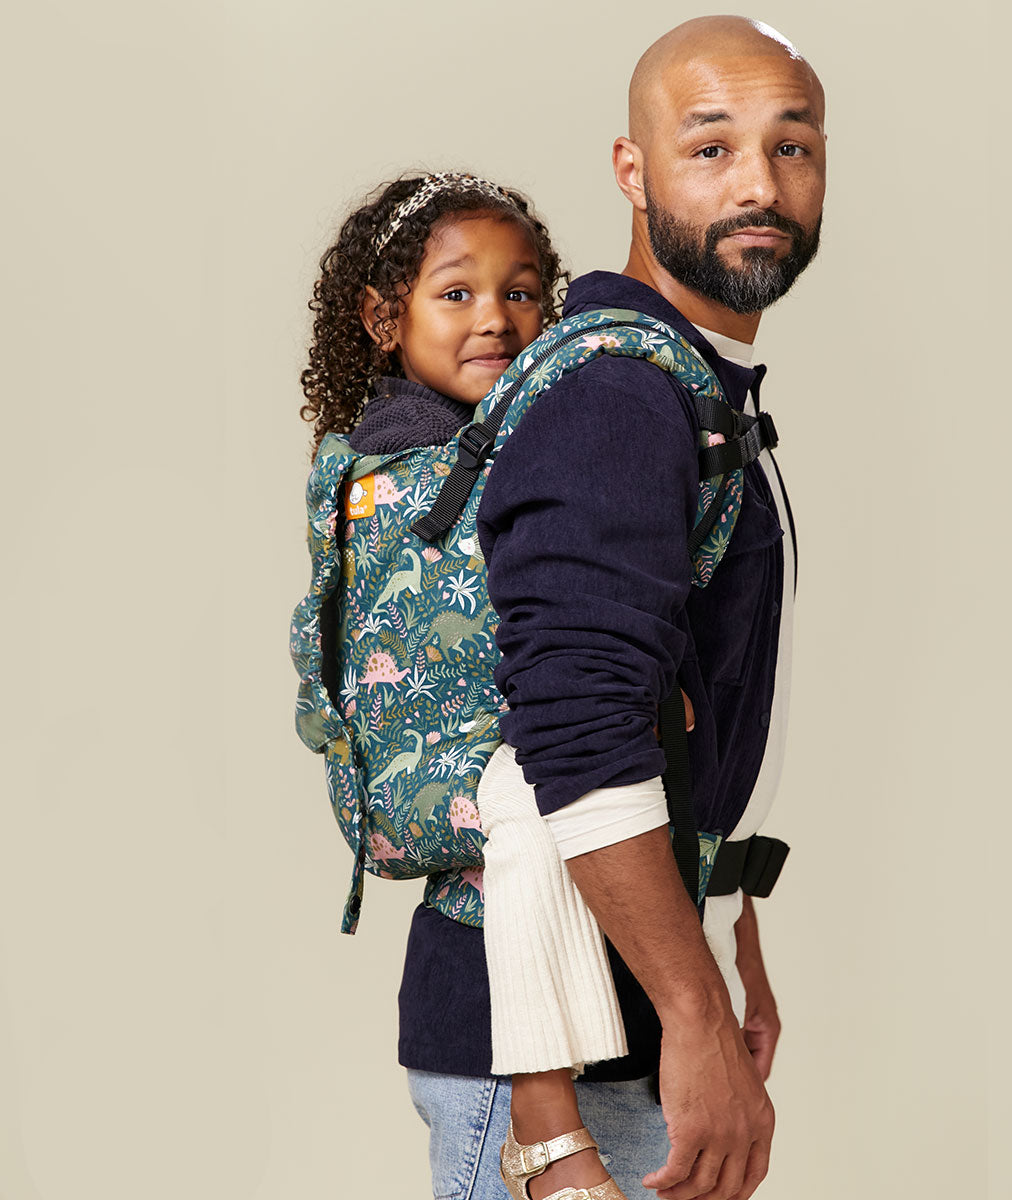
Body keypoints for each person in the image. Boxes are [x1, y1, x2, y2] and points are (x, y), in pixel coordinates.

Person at [398, 15, 827, 1200]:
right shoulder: (621, 395)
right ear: (633, 173)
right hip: (567, 1051)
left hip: (619, 1001)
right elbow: (576, 728)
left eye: (792, 146)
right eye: (710, 148)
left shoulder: (682, 384)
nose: (758, 183)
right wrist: (691, 1011)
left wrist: (731, 943)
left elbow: (691, 710)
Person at [299, 169, 680, 1200]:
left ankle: (556, 1109)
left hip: (610, 1008)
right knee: (537, 790)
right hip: (462, 831)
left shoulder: (490, 443)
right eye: (457, 293)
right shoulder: (410, 458)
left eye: (522, 293)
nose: (498, 319)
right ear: (384, 319)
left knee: (547, 793)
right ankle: (544, 1112)